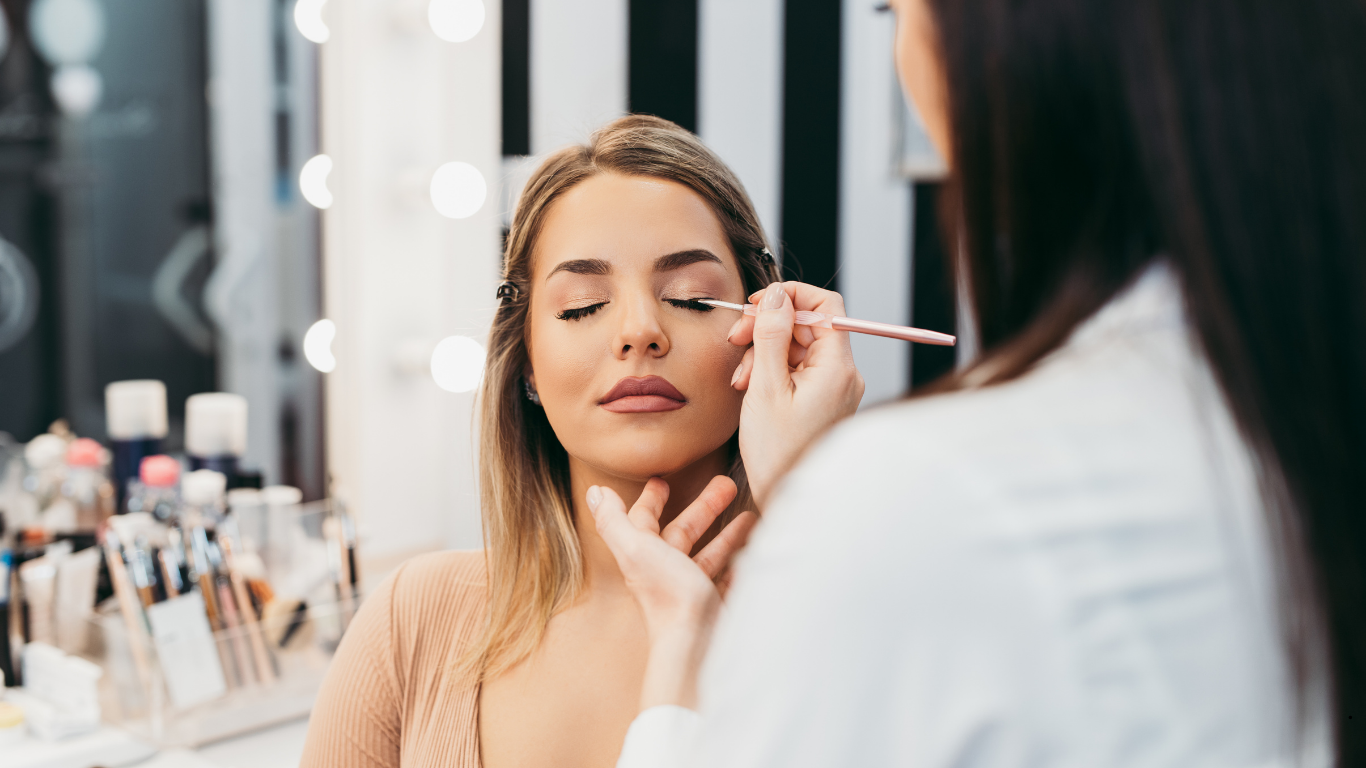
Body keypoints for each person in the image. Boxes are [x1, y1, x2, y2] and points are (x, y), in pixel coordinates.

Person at [590, 0, 1366, 765]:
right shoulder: (1292, 423)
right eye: (581, 305)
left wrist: (812, 509)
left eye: (895, 8)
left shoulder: (934, 506)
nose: (638, 332)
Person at [298, 115, 830, 768]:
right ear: (525, 361)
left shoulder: (839, 620)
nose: (639, 331)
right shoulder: (415, 619)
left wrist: (805, 483)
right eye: (581, 305)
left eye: (691, 298)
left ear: (765, 326)